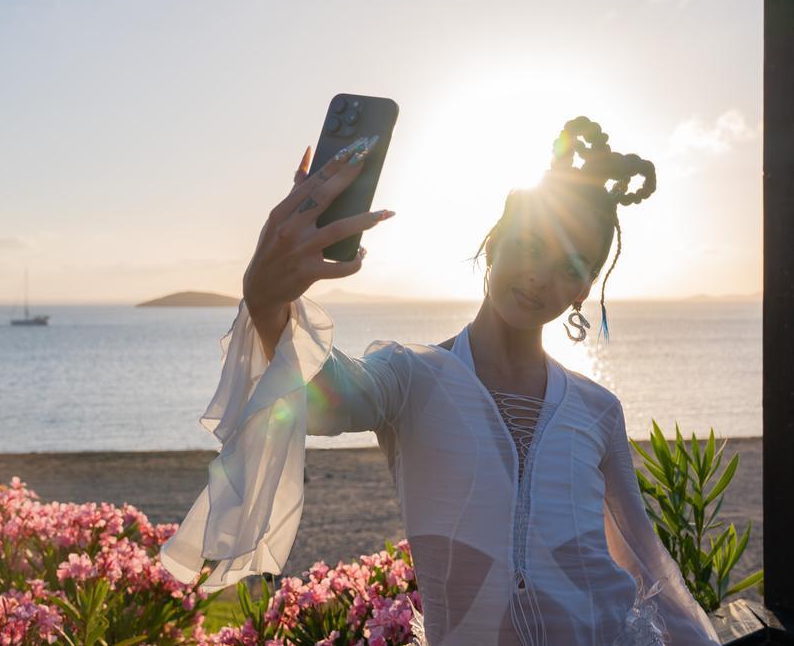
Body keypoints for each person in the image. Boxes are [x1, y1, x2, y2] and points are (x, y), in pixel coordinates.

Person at [160, 117, 721, 645]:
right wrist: (268, 299)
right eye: (528, 246)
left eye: (570, 268)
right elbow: (324, 401)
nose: (537, 275)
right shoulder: (413, 379)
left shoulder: (598, 409)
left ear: (584, 288)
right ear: (496, 241)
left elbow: (646, 562)